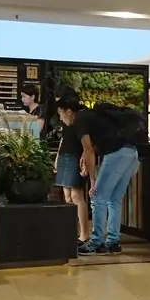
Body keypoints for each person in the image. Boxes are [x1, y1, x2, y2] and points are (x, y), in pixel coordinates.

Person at [57, 96, 140, 256]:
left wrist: (93, 180)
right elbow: (95, 146)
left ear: (69, 111)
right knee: (114, 199)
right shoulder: (90, 115)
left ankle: (96, 243)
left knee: (97, 197)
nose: (60, 118)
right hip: (131, 153)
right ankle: (113, 242)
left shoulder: (79, 120)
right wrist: (86, 157)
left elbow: (88, 149)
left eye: (60, 113)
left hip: (116, 155)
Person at [51, 87, 90, 246]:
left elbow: (87, 141)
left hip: (76, 154)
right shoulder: (65, 116)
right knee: (67, 196)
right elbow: (63, 138)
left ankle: (84, 234)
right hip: (65, 154)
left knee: (76, 195)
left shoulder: (80, 114)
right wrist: (57, 156)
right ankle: (72, 232)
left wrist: (85, 159)